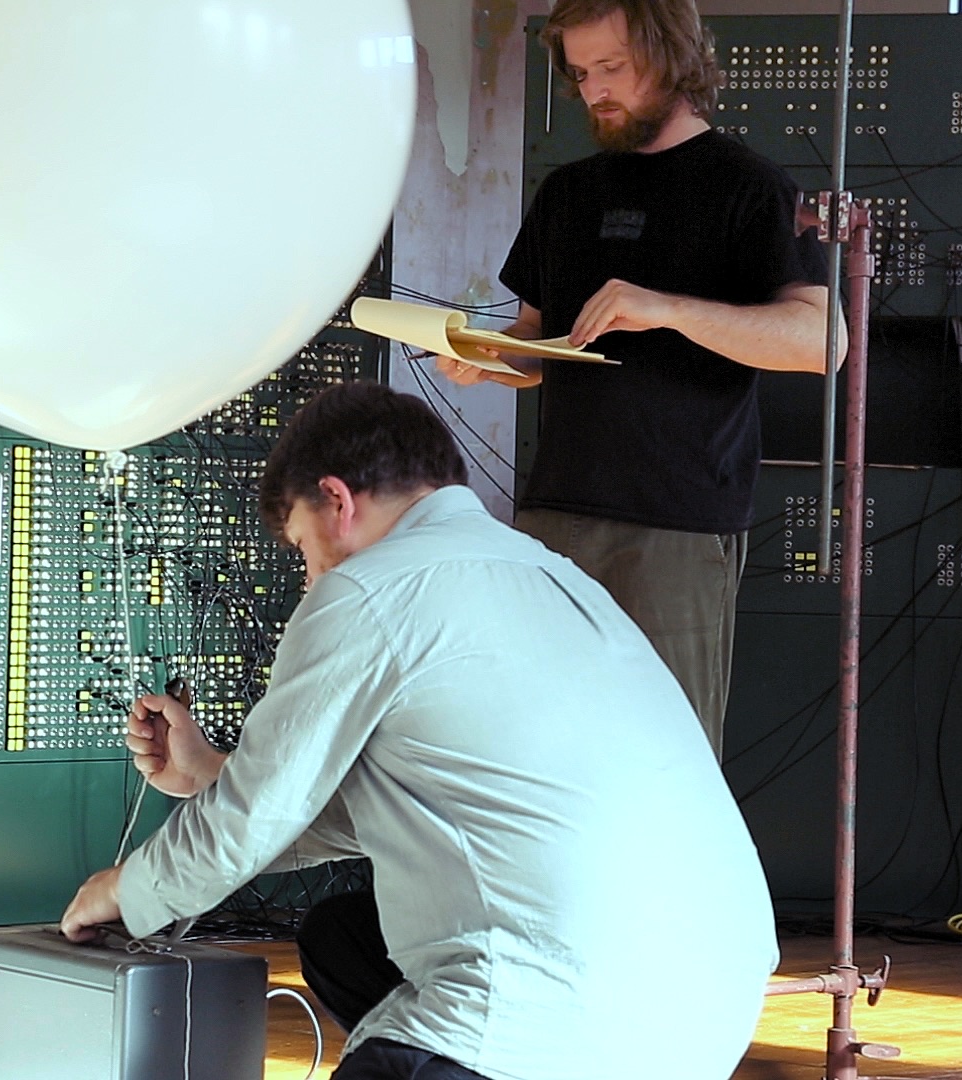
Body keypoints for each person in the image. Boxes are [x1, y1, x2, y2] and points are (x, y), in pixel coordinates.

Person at [61, 381, 776, 1080]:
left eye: (305, 548)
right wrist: (212, 774)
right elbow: (439, 801)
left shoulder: (366, 588)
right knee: (342, 938)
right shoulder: (554, 576)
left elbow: (250, 819)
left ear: (337, 501)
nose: (309, 580)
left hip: (552, 1010)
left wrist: (126, 888)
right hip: (705, 1021)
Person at [440, 0, 835, 759]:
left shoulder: (749, 185)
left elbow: (823, 342)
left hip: (676, 522)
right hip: (555, 513)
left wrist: (667, 310)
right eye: (581, 73)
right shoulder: (567, 192)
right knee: (542, 754)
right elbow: (538, 342)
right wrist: (487, 357)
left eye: (612, 68)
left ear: (671, 53)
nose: (593, 91)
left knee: (664, 758)